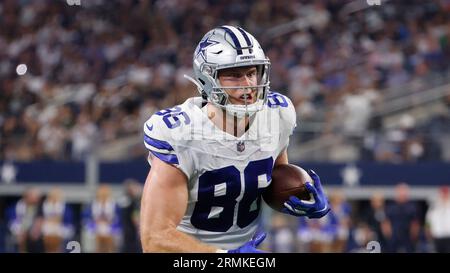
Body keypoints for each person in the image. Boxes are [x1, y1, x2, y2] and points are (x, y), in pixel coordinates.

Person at [140, 25, 330, 253]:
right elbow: (155, 239)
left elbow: (275, 176)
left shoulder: (276, 115)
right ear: (208, 78)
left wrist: (300, 195)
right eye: (234, 75)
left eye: (251, 73)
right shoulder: (181, 134)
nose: (248, 84)